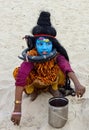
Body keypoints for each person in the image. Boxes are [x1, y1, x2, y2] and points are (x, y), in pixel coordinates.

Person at [11, 11, 85, 125]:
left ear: (53, 44)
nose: (44, 48)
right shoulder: (31, 56)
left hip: (50, 80)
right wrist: (17, 109)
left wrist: (77, 84)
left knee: (60, 70)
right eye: (40, 44)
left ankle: (52, 88)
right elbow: (20, 79)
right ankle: (34, 91)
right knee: (18, 72)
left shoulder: (56, 55)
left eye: (48, 44)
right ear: (35, 44)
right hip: (36, 82)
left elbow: (67, 67)